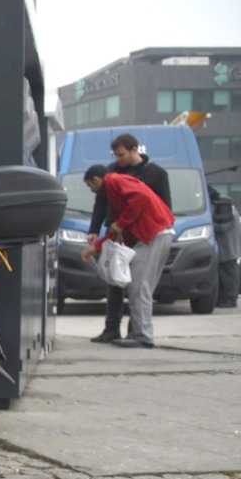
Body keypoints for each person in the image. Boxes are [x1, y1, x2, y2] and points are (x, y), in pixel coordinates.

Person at [87, 133, 172, 343]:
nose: (118, 159)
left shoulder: (114, 178)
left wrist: (120, 223)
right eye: (115, 155)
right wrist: (99, 240)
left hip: (148, 234)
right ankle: (132, 332)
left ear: (135, 150)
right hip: (139, 234)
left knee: (139, 286)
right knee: (129, 284)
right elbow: (112, 213)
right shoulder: (114, 174)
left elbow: (142, 199)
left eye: (121, 154)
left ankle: (141, 334)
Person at [210, 186, 241, 308]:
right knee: (227, 274)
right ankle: (226, 298)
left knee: (228, 274)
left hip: (228, 247)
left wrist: (208, 224)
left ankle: (230, 299)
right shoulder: (224, 205)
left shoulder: (223, 207)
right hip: (227, 246)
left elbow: (223, 226)